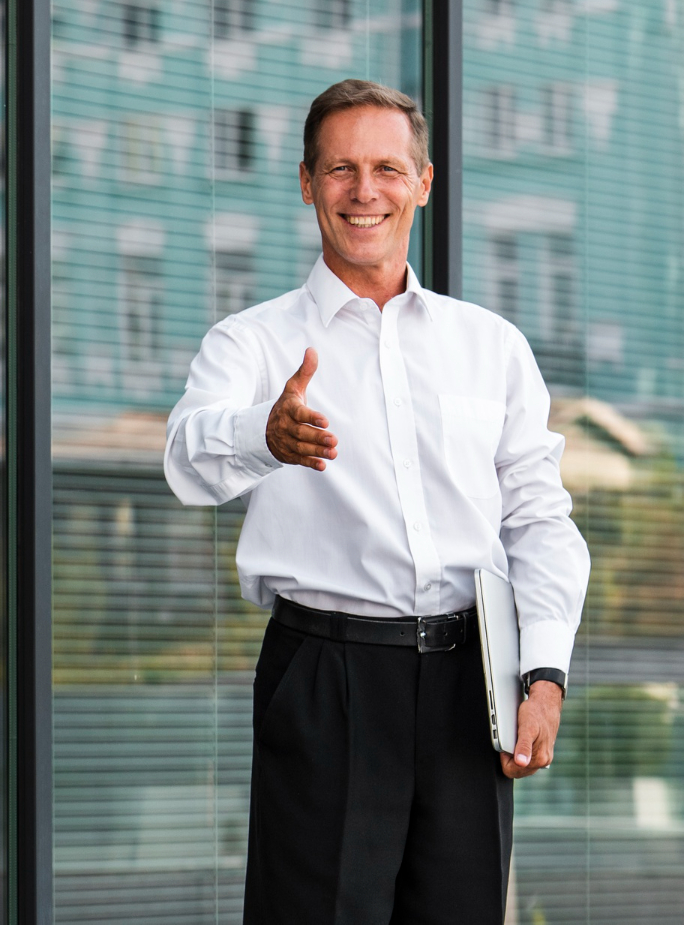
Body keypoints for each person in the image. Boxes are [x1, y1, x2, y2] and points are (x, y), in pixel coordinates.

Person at [164, 80, 588, 923]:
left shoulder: (491, 346)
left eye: (388, 168)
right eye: (341, 169)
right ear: (307, 182)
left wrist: (544, 676)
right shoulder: (252, 341)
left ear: (423, 183)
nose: (365, 191)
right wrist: (264, 433)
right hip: (325, 675)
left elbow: (539, 519)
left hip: (475, 681)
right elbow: (185, 455)